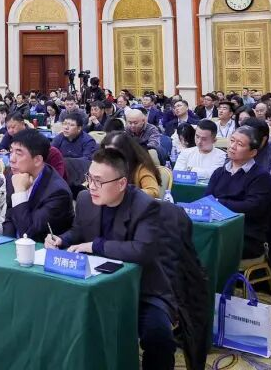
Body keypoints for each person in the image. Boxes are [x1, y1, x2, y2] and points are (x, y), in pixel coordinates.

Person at [45, 148, 176, 370]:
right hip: (95, 284)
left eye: (98, 181)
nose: (91, 186)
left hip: (141, 290)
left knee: (159, 336)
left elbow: (141, 250)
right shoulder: (85, 199)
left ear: (122, 183)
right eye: (89, 178)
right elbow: (78, 231)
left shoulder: (146, 206)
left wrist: (94, 246)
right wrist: (61, 239)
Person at [205, 126, 271, 258]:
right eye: (232, 141)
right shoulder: (219, 172)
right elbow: (206, 201)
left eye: (240, 144)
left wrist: (219, 202)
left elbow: (251, 207)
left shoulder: (261, 176)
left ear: (252, 152)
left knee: (208, 247)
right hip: (216, 228)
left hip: (246, 234)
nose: (232, 146)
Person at [1, 130, 73, 242]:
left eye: (18, 154)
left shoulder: (58, 192)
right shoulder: (14, 175)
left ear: (37, 160)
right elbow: (10, 217)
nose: (11, 159)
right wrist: (7, 243)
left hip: (42, 247)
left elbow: (28, 233)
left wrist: (20, 192)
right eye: (11, 152)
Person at [103, 132, 162, 199]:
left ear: (124, 151)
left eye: (112, 153)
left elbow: (153, 192)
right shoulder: (107, 166)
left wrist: (126, 192)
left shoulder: (141, 168)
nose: (108, 156)